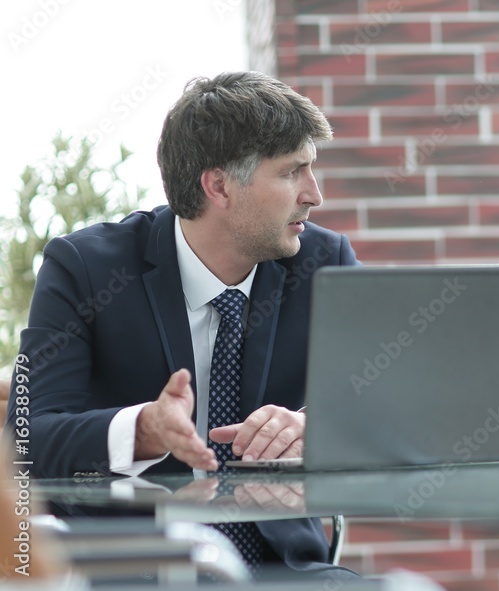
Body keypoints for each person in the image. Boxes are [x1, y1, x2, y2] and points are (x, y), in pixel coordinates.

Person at [8, 71, 361, 581]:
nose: (315, 194)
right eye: (292, 172)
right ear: (218, 185)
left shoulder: (322, 263)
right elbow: (25, 441)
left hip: (286, 571)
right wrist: (142, 430)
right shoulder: (85, 269)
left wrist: (316, 426)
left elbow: (385, 404)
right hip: (132, 568)